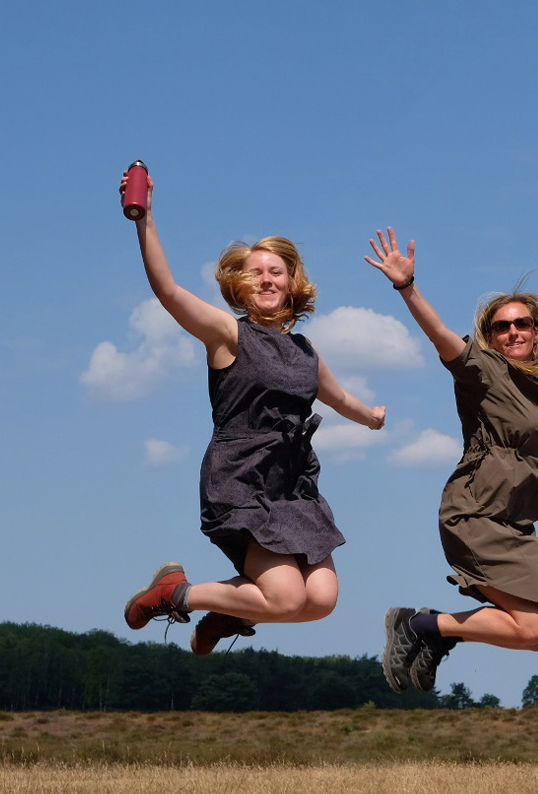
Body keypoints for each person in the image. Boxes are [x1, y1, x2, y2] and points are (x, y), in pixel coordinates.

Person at [119, 171, 385, 655]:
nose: (267, 278)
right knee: (285, 598)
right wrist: (146, 220)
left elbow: (337, 397)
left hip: (292, 483)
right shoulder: (228, 335)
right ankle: (174, 593)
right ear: (239, 285)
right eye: (256, 272)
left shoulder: (305, 351)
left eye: (276, 271)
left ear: (291, 284)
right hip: (242, 477)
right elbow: (168, 291)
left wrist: (370, 417)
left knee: (321, 599)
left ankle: (230, 610)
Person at [364, 227, 538, 691]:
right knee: (533, 628)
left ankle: (432, 632)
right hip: (475, 513)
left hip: (517, 523)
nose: (512, 332)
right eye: (501, 326)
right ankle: (421, 627)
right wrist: (406, 287)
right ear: (490, 336)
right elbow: (441, 335)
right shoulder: (480, 371)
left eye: (521, 323)